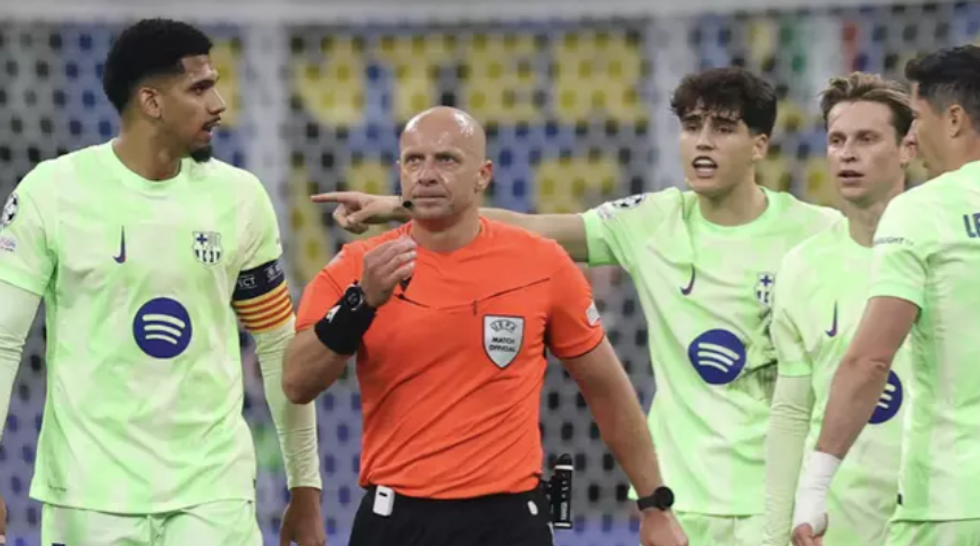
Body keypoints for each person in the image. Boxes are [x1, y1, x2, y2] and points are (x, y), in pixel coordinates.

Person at [313, 67, 842, 544]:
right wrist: (406, 205)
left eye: (723, 129)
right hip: (687, 496)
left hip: (782, 490)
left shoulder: (820, 233)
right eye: (691, 127)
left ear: (760, 145)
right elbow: (530, 228)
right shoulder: (651, 221)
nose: (702, 142)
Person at [284, 106, 688, 546]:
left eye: (446, 159)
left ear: (483, 175)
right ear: (399, 171)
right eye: (414, 160)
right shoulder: (358, 267)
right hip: (395, 520)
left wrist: (654, 504)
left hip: (508, 522)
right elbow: (296, 383)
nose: (427, 174)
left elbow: (606, 388)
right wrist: (360, 303)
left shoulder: (541, 263)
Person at [0, 18, 323, 546]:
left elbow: (276, 347)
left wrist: (305, 487)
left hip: (212, 494)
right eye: (199, 88)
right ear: (150, 101)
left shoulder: (240, 199)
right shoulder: (51, 193)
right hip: (90, 496)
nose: (219, 104)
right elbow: (3, 341)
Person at [791, 45, 980, 546]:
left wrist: (815, 486)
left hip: (951, 503)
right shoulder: (806, 264)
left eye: (916, 119)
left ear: (954, 119)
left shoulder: (923, 210)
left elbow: (870, 361)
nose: (912, 136)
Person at [762, 72, 915, 546]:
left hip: (939, 513)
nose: (848, 153)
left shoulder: (950, 251)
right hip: (836, 521)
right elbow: (792, 413)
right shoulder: (802, 267)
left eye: (867, 139)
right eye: (837, 140)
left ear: (907, 149)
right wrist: (776, 531)